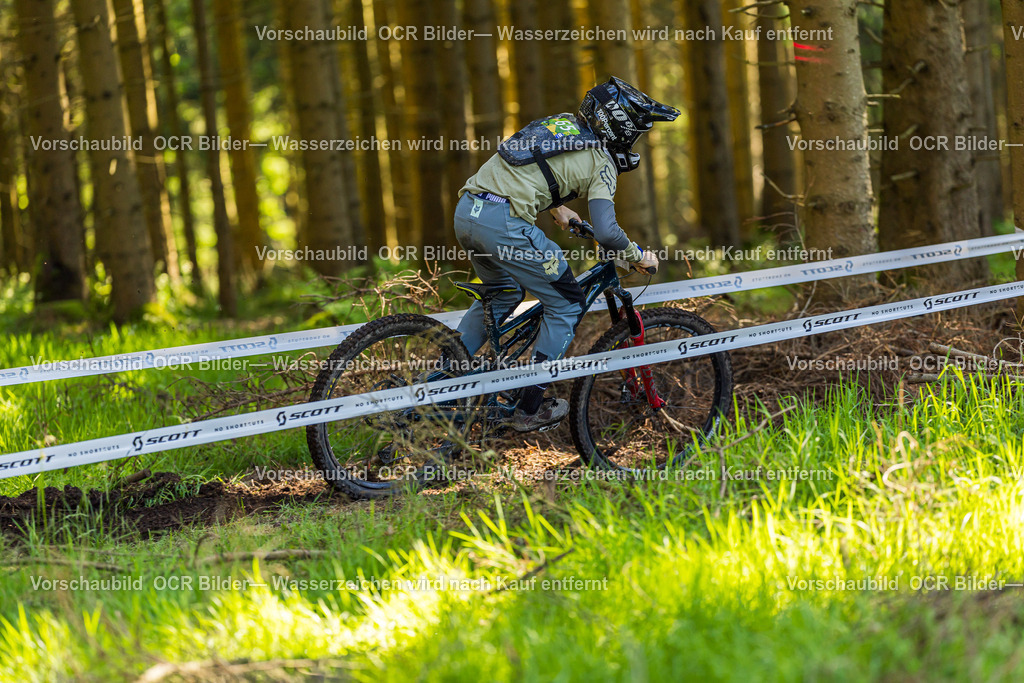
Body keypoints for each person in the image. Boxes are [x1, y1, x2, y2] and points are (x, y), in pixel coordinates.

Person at [453, 76, 679, 432]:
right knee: (568, 303)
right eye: (634, 133)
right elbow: (606, 231)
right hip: (503, 224)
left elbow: (533, 165)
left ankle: (445, 379)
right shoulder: (602, 161)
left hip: (468, 211)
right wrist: (636, 255)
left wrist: (558, 208)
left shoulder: (561, 124)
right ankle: (529, 407)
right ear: (618, 128)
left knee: (505, 293)